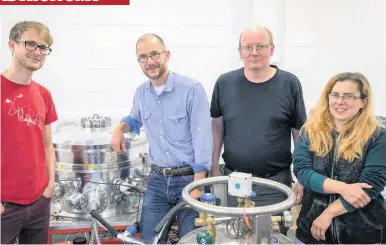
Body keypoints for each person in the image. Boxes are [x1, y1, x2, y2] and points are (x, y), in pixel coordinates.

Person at [110, 34, 212, 243]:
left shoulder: (191, 89)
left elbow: (203, 138)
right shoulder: (141, 92)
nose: (150, 62)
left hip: (189, 178)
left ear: (167, 55)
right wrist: (119, 128)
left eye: (155, 54)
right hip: (157, 179)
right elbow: (134, 120)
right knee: (150, 239)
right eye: (143, 57)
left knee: (189, 240)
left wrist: (198, 184)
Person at [210, 25, 307, 210]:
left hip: (275, 183)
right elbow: (216, 129)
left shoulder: (289, 83)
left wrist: (302, 175)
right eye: (248, 47)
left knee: (271, 236)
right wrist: (214, 169)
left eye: (261, 46)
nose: (254, 52)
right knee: (232, 234)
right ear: (240, 52)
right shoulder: (224, 83)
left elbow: (299, 133)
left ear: (272, 49)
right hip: (234, 182)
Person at [293, 72, 386, 244]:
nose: (340, 101)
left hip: (362, 234)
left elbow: (370, 186)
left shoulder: (378, 136)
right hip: (311, 231)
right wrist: (343, 188)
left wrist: (329, 213)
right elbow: (302, 171)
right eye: (335, 95)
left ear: (363, 102)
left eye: (349, 96)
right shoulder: (310, 130)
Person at [1, 21, 58, 244]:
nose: (37, 52)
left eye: (43, 47)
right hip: (5, 207)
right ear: (12, 45)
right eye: (30, 44)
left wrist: (50, 185)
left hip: (39, 203)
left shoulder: (44, 94)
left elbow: (47, 145)